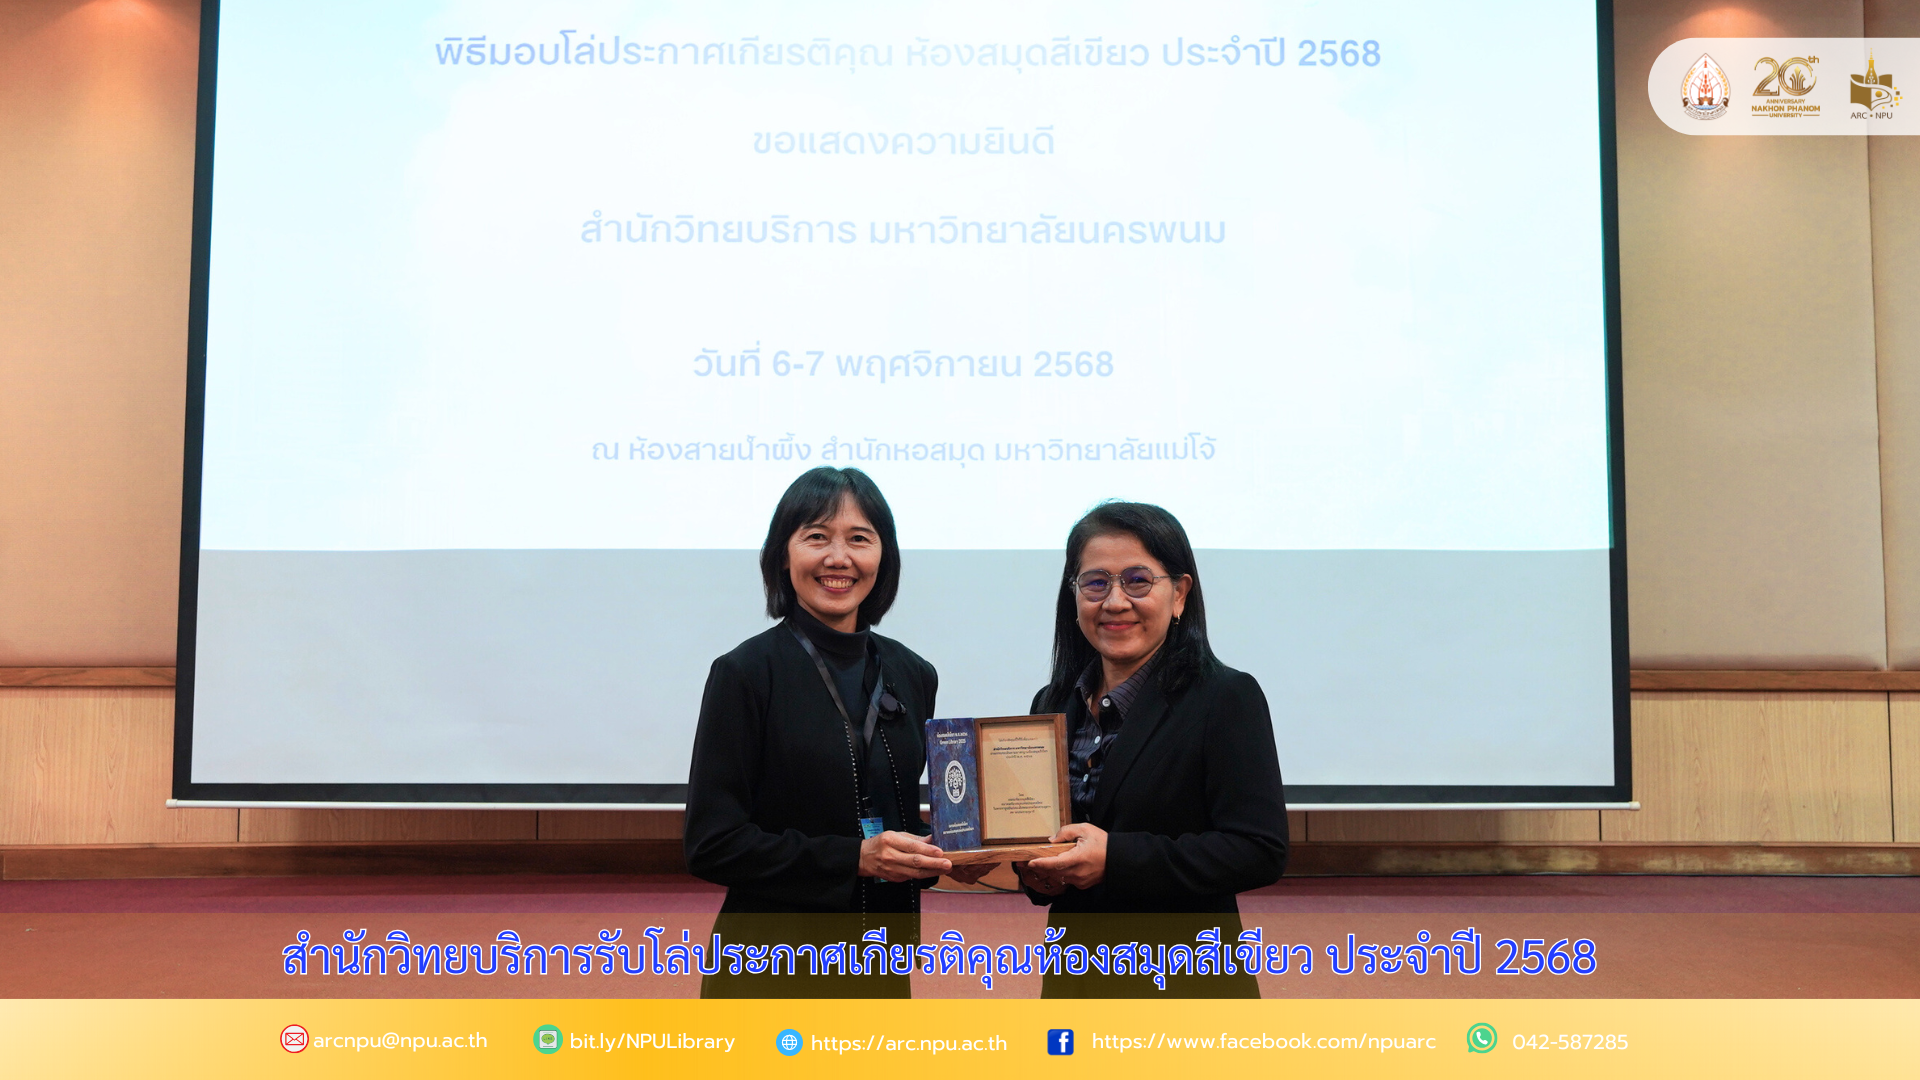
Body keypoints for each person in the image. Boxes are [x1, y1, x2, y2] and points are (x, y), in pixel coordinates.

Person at [683, 466, 981, 997]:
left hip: (881, 959)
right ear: (783, 554)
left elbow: (891, 814)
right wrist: (854, 859)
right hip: (772, 961)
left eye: (859, 539)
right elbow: (713, 843)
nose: (839, 558)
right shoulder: (745, 673)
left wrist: (948, 852)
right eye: (817, 537)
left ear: (883, 557)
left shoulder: (914, 673)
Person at [1014, 501, 1289, 996]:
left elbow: (1259, 850)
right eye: (1095, 583)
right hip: (1075, 979)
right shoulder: (1052, 703)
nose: (1115, 601)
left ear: (1179, 594)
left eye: (1138, 581)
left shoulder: (1226, 697)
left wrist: (1115, 858)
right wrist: (1039, 874)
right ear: (1073, 595)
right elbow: (1048, 836)